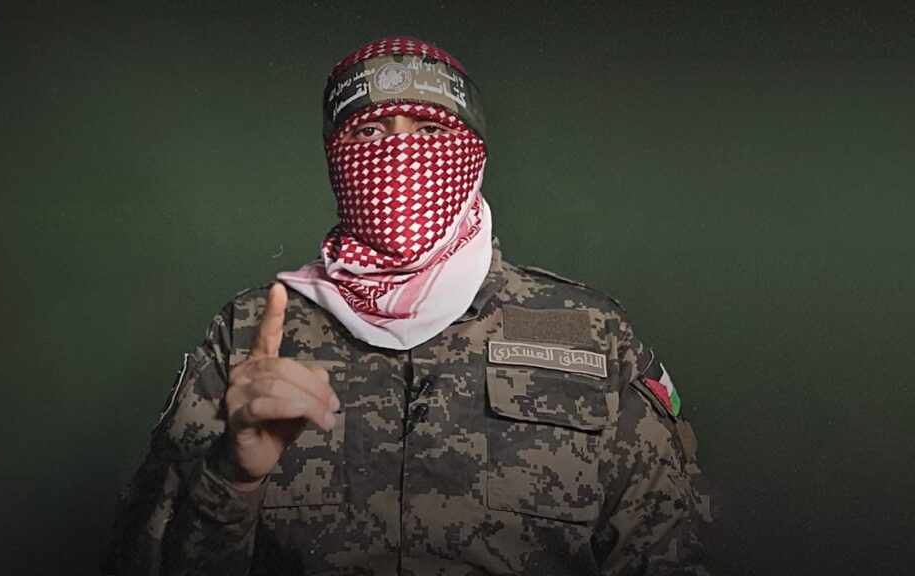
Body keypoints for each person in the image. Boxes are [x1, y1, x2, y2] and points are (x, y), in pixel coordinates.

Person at [104, 36, 710, 576]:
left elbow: (665, 554)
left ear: (473, 152)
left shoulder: (589, 333)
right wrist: (234, 480)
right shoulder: (248, 335)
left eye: (430, 130)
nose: (399, 153)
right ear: (335, 157)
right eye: (369, 132)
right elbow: (139, 562)